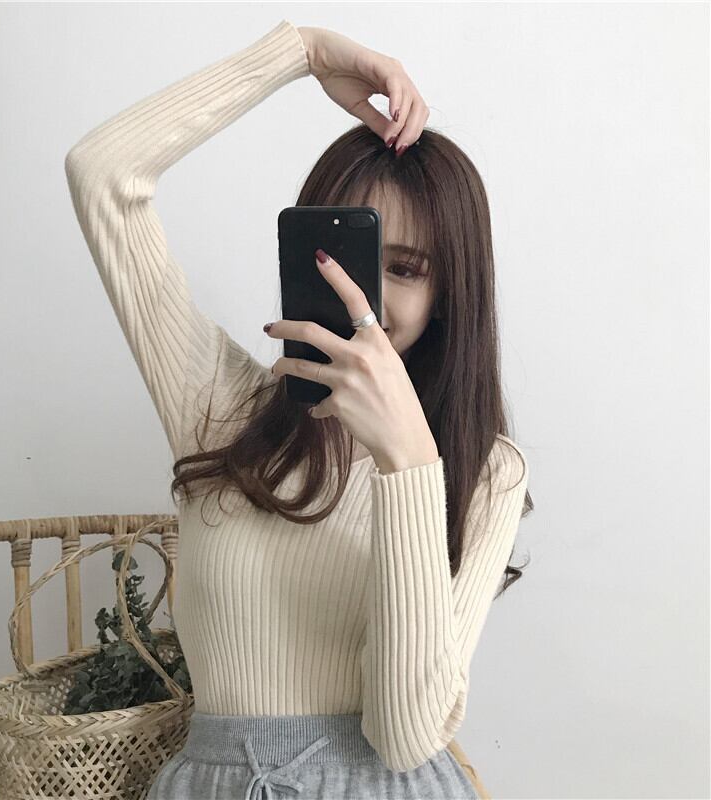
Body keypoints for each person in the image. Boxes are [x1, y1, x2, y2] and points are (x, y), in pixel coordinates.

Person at [64, 19, 533, 800]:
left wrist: (408, 462)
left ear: (449, 295)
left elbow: (404, 735)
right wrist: (299, 54)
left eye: (405, 268)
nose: (363, 298)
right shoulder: (218, 402)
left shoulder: (485, 470)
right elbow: (103, 174)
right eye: (345, 260)